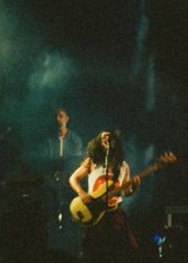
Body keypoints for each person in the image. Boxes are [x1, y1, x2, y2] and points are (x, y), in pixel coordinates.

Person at [69, 131, 140, 263]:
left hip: (115, 215)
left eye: (109, 136)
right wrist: (81, 192)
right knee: (94, 253)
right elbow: (73, 178)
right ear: (98, 142)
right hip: (95, 214)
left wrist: (134, 187)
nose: (106, 138)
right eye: (103, 137)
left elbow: (125, 192)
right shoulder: (92, 162)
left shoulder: (123, 166)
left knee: (119, 252)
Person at [45, 108, 86, 251]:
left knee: (70, 216)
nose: (58, 119)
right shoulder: (49, 139)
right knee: (52, 217)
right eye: (56, 116)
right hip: (52, 183)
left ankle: (70, 250)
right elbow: (47, 161)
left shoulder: (75, 139)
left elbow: (73, 162)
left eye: (61, 116)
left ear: (67, 118)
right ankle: (52, 249)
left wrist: (63, 173)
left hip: (68, 184)